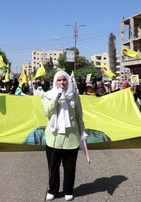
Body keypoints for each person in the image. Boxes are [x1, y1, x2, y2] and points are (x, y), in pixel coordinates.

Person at [41, 71, 86, 201]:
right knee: (53, 166)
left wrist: (83, 132)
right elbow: (47, 112)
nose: (62, 83)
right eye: (59, 80)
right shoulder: (48, 95)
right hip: (54, 138)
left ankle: (68, 190)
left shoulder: (75, 96)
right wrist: (57, 97)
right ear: (55, 82)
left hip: (71, 137)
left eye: (64, 80)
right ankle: (52, 190)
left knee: (70, 166)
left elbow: (78, 116)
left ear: (68, 81)